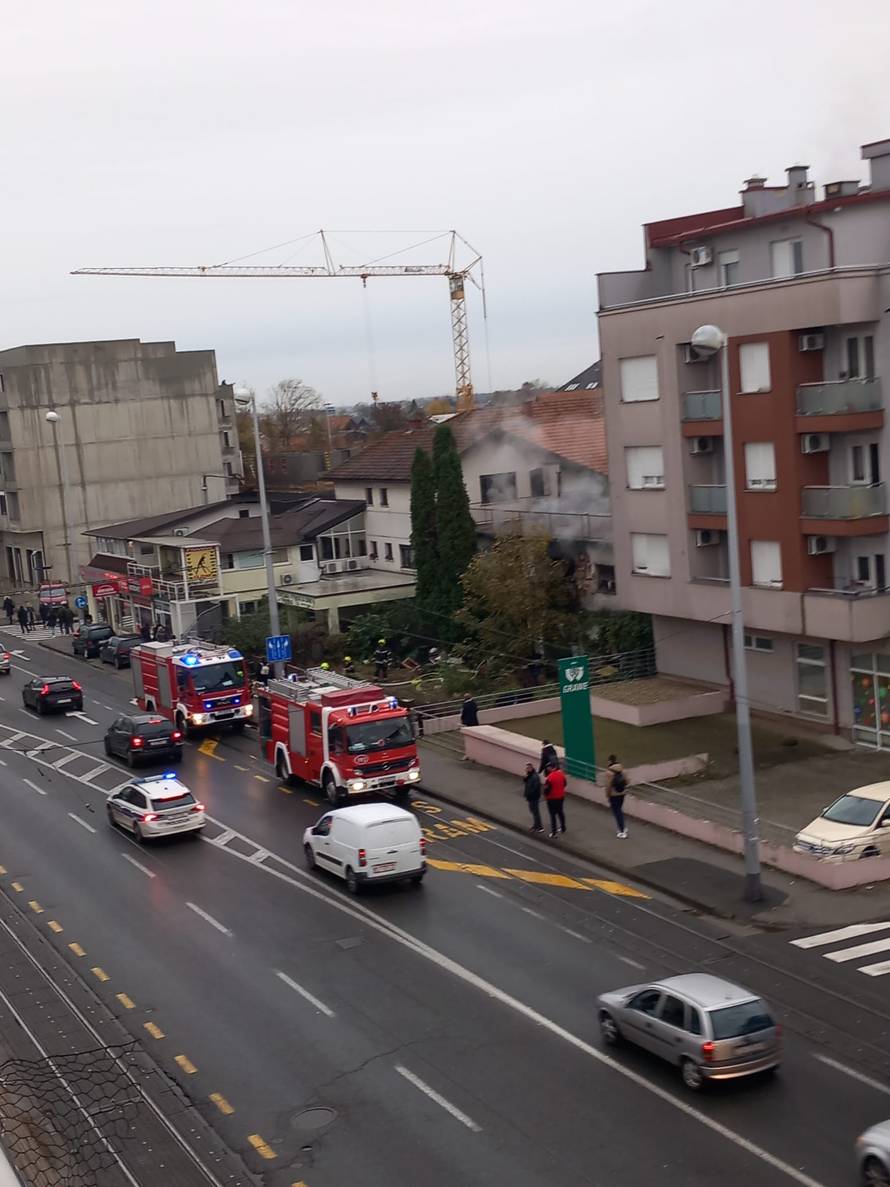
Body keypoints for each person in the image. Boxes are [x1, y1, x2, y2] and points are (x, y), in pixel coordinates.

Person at [605, 754, 628, 839]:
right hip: (622, 793)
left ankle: (622, 831)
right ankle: (623, 827)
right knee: (619, 810)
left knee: (617, 812)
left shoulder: (609, 773)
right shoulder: (623, 770)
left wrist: (607, 795)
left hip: (613, 795)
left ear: (610, 761)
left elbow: (608, 786)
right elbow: (627, 781)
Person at [543, 762, 567, 838]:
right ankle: (563, 827)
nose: (547, 769)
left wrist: (545, 795)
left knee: (552, 815)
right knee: (560, 812)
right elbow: (565, 784)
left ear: (550, 768)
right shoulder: (561, 774)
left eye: (547, 768)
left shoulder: (549, 777)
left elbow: (546, 790)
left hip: (552, 799)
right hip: (561, 797)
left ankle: (554, 832)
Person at [522, 762, 543, 833]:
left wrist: (529, 794)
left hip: (533, 797)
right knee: (533, 811)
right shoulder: (530, 775)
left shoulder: (535, 777)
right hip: (530, 797)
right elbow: (526, 782)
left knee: (535, 812)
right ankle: (536, 825)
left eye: (528, 768)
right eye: (526, 768)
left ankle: (539, 826)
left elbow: (535, 788)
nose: (526, 769)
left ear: (531, 768)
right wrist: (525, 778)